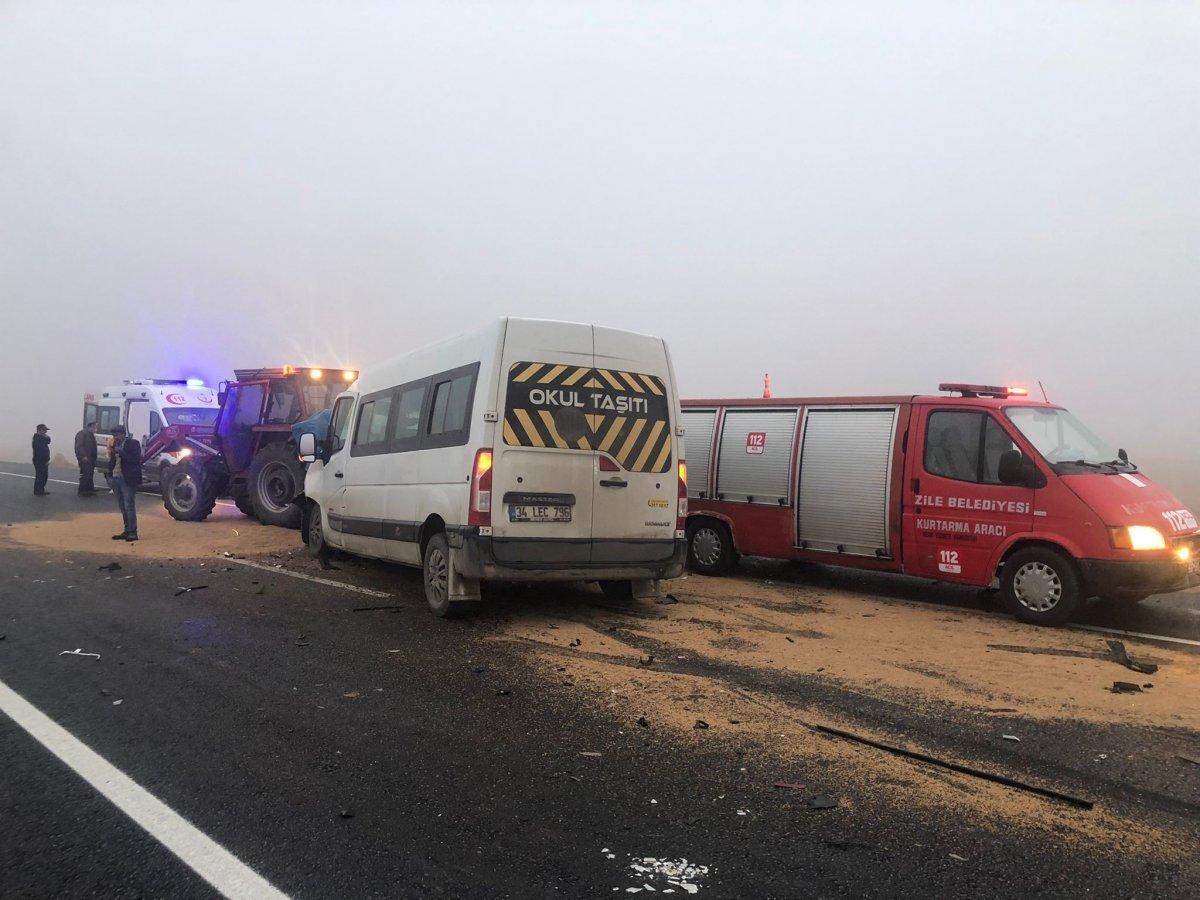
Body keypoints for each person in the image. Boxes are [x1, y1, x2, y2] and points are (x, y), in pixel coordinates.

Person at [107, 425, 143, 541]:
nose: (115, 438)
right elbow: (112, 461)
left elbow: (135, 460)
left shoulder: (133, 443)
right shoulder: (115, 445)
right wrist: (109, 474)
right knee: (122, 506)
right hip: (116, 477)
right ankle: (127, 530)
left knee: (129, 506)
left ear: (123, 434)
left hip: (127, 478)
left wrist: (121, 452)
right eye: (113, 436)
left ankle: (132, 532)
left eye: (116, 435)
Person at [75, 421, 99, 496]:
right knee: (85, 474)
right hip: (85, 458)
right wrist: (83, 456)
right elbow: (79, 446)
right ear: (91, 426)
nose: (96, 429)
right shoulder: (82, 434)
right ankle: (82, 490)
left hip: (91, 458)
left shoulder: (90, 435)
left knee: (90, 474)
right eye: (95, 427)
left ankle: (90, 489)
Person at [31, 424, 51, 495]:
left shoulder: (41, 438)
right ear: (40, 430)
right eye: (45, 430)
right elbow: (40, 452)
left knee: (44, 476)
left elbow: (48, 441)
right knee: (40, 476)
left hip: (43, 460)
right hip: (39, 460)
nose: (46, 432)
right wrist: (45, 461)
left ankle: (41, 490)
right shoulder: (37, 439)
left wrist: (47, 460)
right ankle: (38, 491)